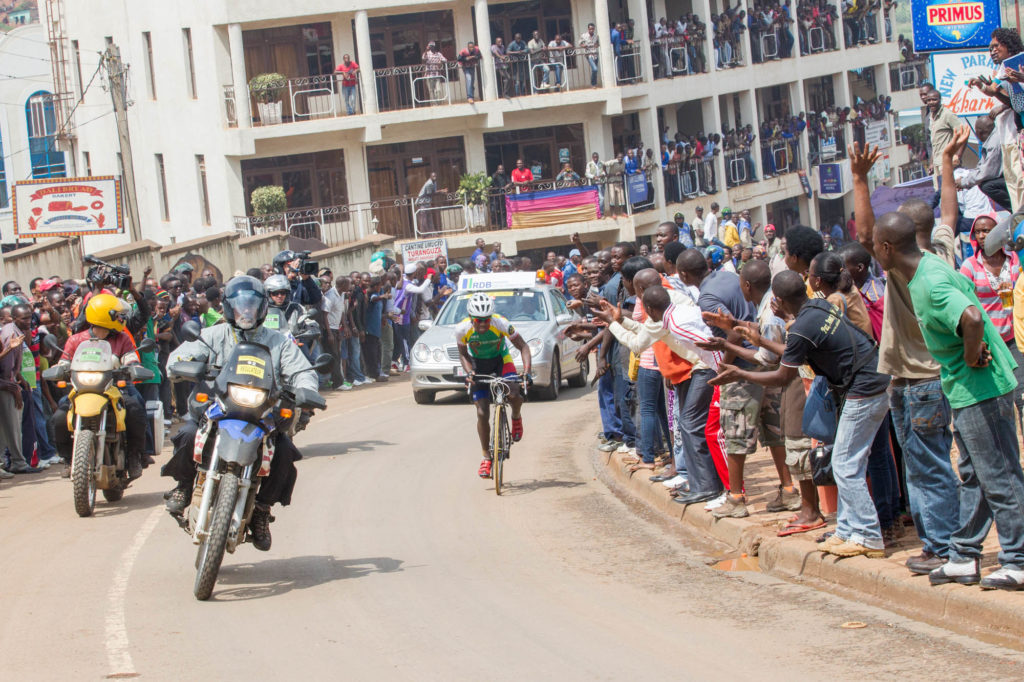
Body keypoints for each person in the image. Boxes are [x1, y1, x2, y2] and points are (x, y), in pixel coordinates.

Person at [874, 195, 1024, 590]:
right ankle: (964, 554)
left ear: (887, 248)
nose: (874, 251)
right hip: (966, 389)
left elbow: (972, 317)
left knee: (1001, 475)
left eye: (875, 245)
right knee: (975, 475)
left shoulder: (930, 282)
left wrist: (974, 353)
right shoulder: (925, 268)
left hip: (981, 389)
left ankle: (1018, 557)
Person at [713, 270, 892, 558]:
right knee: (845, 462)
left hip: (865, 388)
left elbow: (783, 376)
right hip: (870, 379)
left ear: (779, 301)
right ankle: (847, 532)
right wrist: (759, 341)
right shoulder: (816, 308)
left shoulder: (800, 326)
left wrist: (738, 372)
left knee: (846, 464)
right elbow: (791, 349)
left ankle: (868, 536)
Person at [851, 139, 963, 576]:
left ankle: (941, 544)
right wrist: (947, 166)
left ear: (889, 245)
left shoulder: (902, 267)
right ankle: (944, 539)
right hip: (937, 377)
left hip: (918, 381)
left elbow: (863, 235)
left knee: (926, 466)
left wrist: (860, 179)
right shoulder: (942, 252)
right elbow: (949, 213)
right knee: (934, 462)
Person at [162, 276, 319, 551]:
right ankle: (185, 485)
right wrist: (183, 365)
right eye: (239, 306)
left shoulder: (279, 342)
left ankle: (261, 510)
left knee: (284, 452)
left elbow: (302, 371)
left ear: (262, 308)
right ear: (228, 308)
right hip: (217, 406)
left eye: (252, 306)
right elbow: (179, 356)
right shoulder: (212, 334)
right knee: (187, 434)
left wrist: (306, 389)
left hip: (263, 411)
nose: (245, 312)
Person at [49, 294, 148, 480]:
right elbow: (65, 361)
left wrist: (134, 367)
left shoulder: (122, 339)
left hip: (113, 388)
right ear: (103, 315)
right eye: (118, 315)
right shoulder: (76, 339)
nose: (122, 319)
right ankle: (69, 459)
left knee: (135, 408)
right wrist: (58, 368)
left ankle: (135, 455)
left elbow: (130, 358)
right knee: (59, 417)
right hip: (81, 389)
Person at [456, 292, 532, 478]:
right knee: (482, 412)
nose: (482, 324)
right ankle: (486, 457)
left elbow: (523, 346)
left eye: (486, 320)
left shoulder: (501, 323)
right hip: (478, 365)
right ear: (471, 318)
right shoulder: (462, 329)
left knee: (514, 393)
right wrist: (469, 373)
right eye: (478, 320)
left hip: (501, 361)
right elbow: (463, 354)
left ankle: (515, 417)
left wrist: (527, 372)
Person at [578, 23, 600, 87]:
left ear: (594, 29)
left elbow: (597, 43)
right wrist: (583, 45)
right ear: (588, 29)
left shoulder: (596, 36)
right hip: (588, 54)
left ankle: (594, 84)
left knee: (595, 70)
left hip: (595, 53)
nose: (591, 30)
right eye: (590, 29)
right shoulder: (584, 35)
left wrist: (597, 45)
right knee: (595, 69)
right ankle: (593, 83)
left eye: (592, 29)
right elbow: (580, 43)